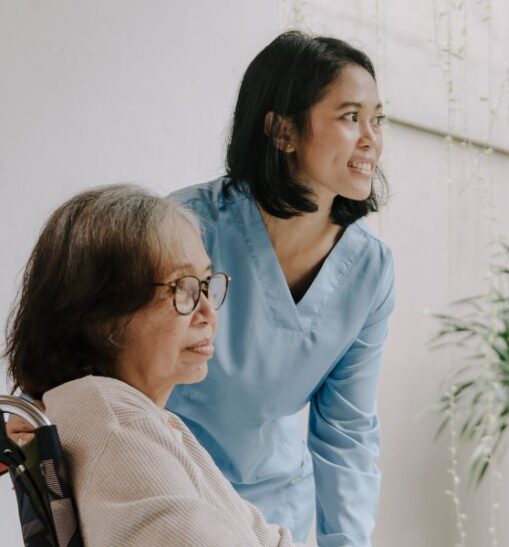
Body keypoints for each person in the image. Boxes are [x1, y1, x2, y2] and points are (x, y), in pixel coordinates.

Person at [166, 30, 395, 546]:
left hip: (275, 514)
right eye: (350, 116)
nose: (371, 139)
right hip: (171, 492)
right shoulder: (184, 226)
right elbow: (110, 361)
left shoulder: (370, 269)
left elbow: (347, 432)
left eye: (377, 119)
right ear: (282, 130)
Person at [5, 185, 299, 547]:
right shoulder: (115, 423)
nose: (208, 311)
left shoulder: (133, 415)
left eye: (206, 284)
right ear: (102, 311)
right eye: (182, 288)